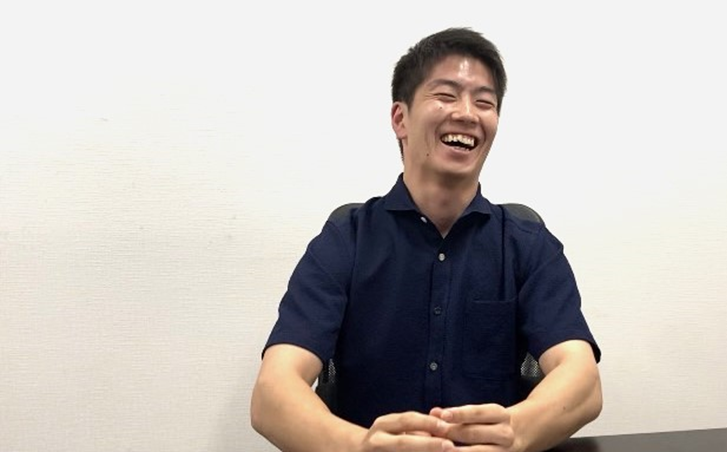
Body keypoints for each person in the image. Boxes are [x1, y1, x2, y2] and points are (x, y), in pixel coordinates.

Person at [251, 27, 602, 452]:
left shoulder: (528, 244)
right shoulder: (346, 241)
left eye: (484, 102)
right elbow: (273, 393)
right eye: (447, 95)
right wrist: (360, 446)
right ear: (400, 119)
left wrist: (516, 431)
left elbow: (582, 379)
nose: (468, 114)